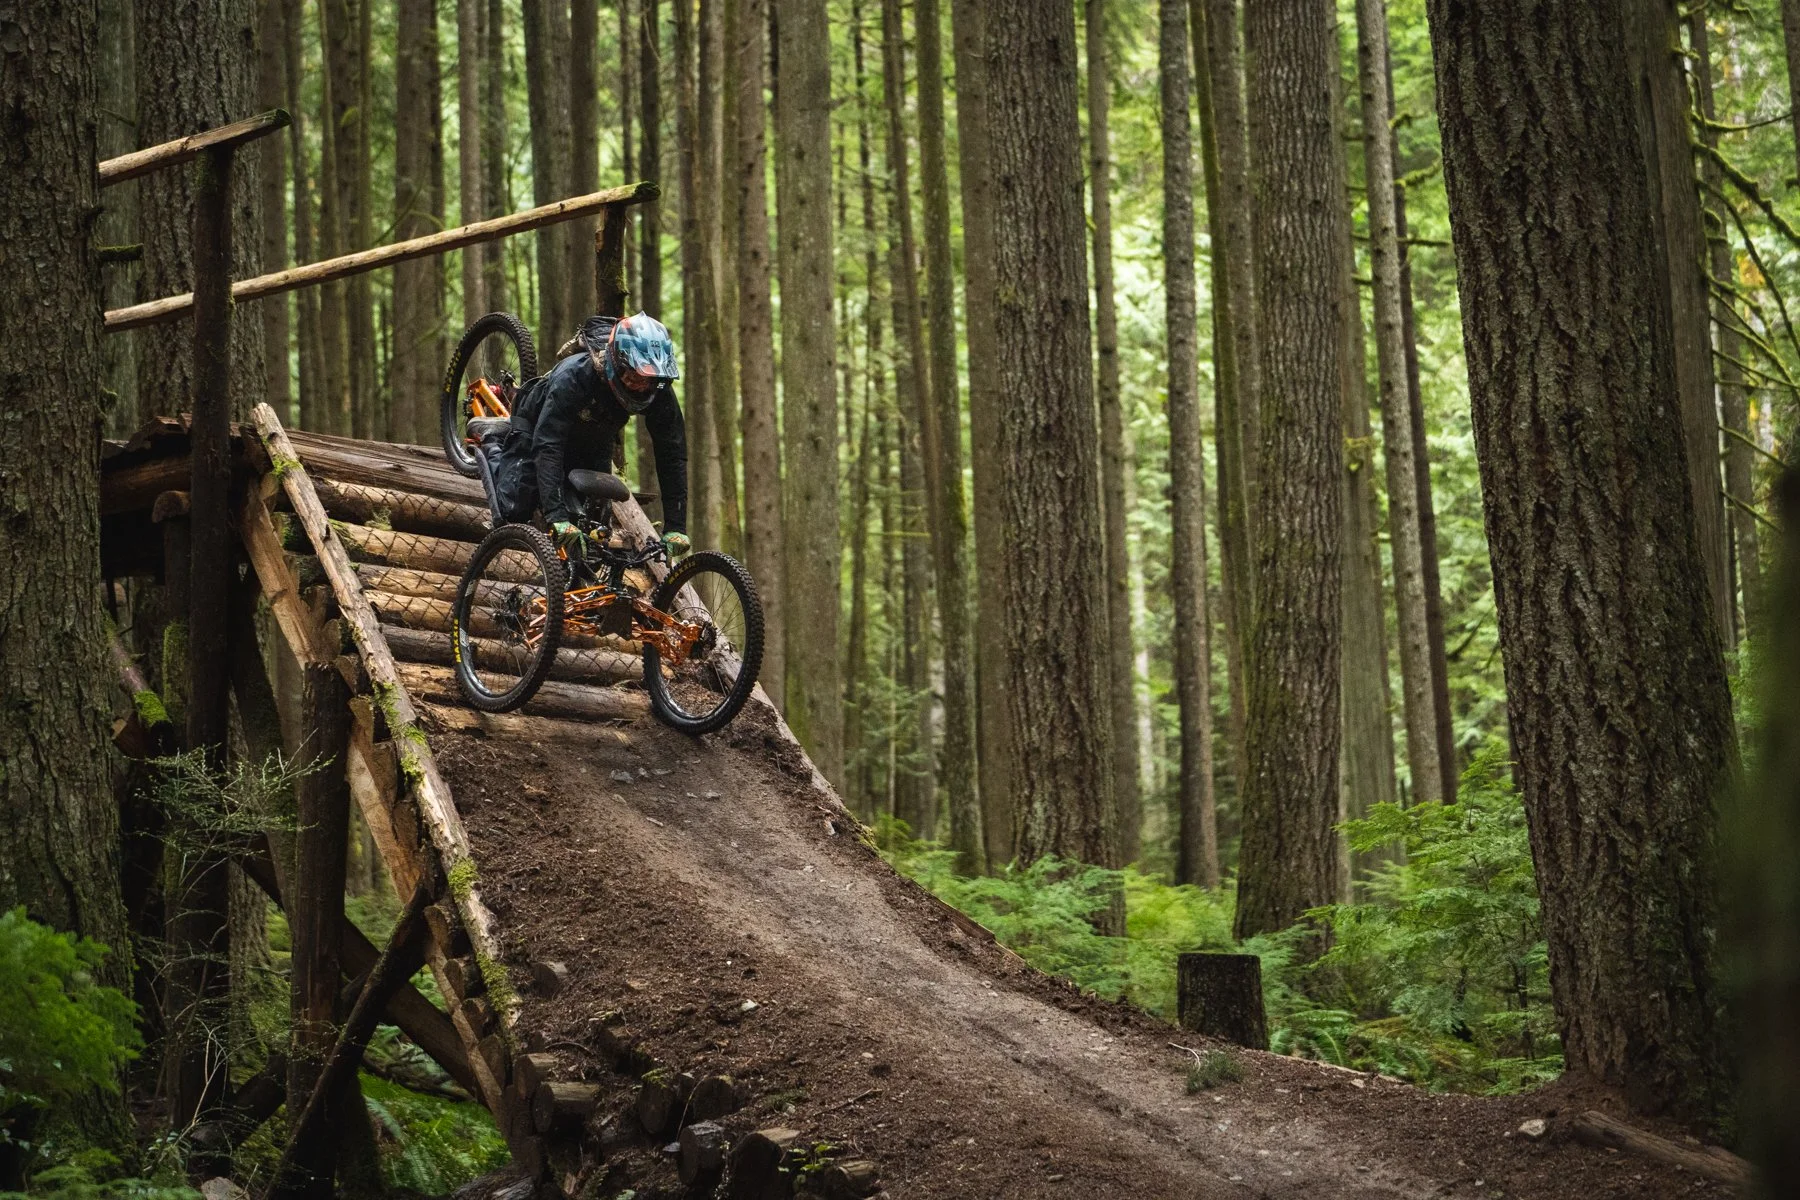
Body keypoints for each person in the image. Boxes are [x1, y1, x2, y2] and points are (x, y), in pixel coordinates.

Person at [491, 311, 690, 557]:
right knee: (514, 510)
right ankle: (491, 442)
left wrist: (676, 526)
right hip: (536, 426)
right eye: (635, 376)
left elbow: (672, 454)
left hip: (594, 439)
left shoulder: (658, 389)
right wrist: (557, 516)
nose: (642, 385)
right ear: (618, 363)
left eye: (649, 379)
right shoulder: (574, 376)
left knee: (594, 534)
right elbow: (548, 443)